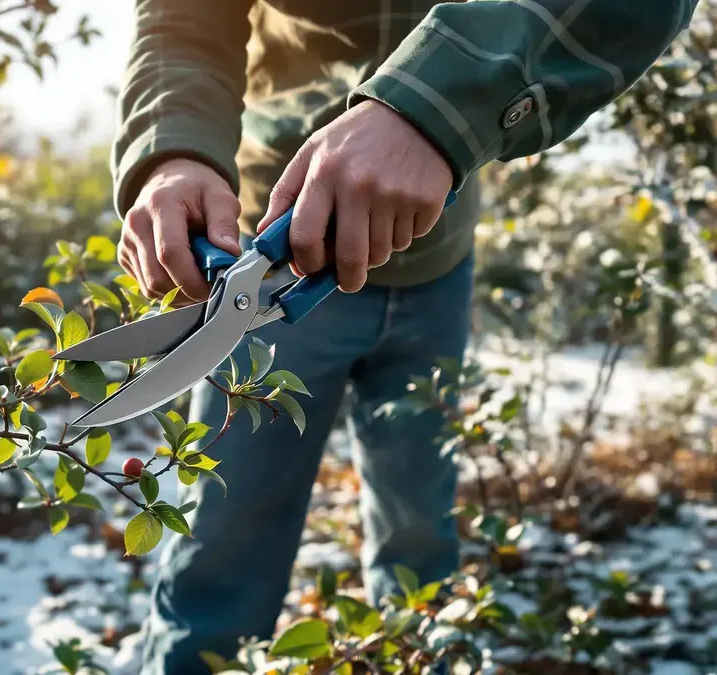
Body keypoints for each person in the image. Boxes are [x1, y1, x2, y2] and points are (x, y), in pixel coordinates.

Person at [108, 1, 699, 673]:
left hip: (438, 260)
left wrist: (431, 108)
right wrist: (171, 150)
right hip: (270, 255)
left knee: (418, 538)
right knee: (221, 546)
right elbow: (186, 19)